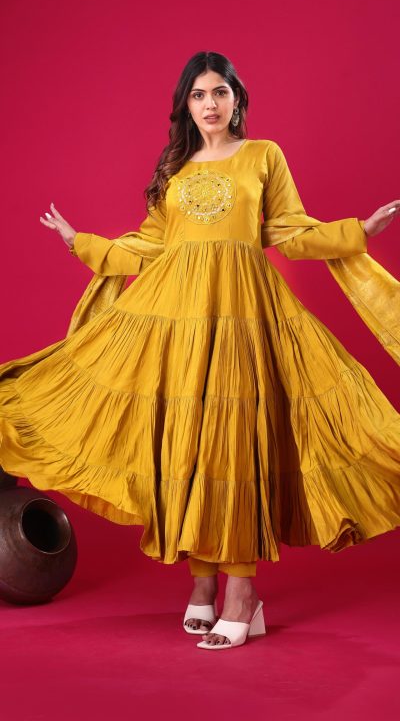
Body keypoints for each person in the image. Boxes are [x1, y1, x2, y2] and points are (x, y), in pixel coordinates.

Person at [0, 51, 399, 652]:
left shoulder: (264, 156)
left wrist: (357, 232)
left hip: (242, 315)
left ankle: (242, 593)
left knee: (232, 443)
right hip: (178, 322)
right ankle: (203, 585)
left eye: (219, 92)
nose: (209, 104)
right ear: (186, 106)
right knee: (187, 444)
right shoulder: (174, 166)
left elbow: (288, 230)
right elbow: (150, 246)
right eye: (197, 95)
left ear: (237, 99)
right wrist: (79, 242)